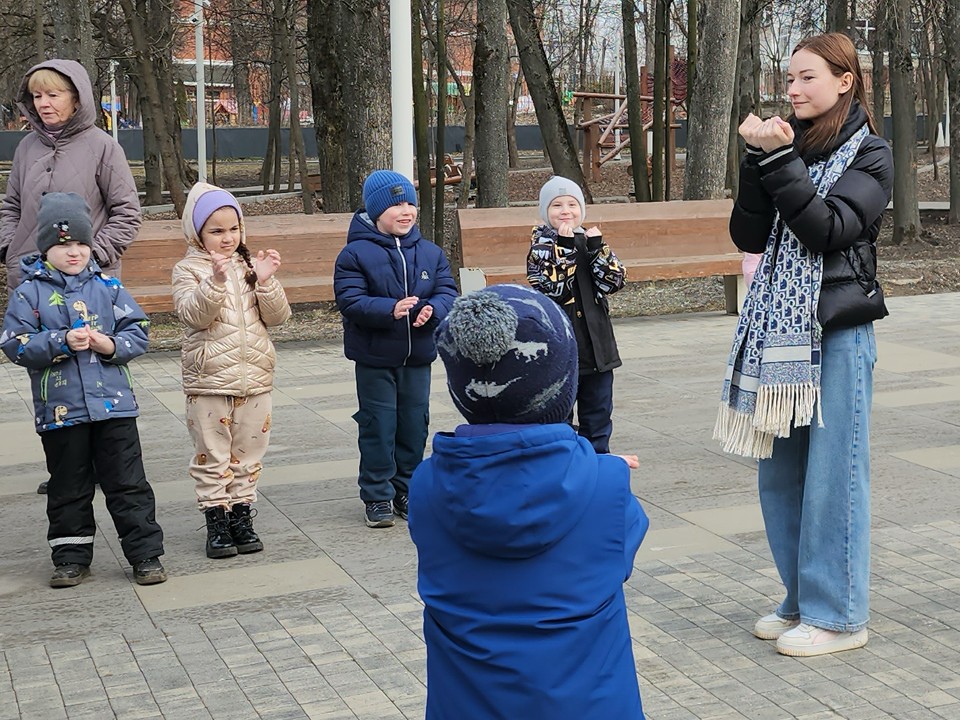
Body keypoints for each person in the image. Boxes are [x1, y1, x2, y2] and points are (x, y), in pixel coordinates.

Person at [715, 32, 893, 657]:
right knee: (781, 478)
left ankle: (840, 616)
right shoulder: (784, 150)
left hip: (838, 333)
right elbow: (747, 233)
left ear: (846, 80)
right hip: (780, 337)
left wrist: (779, 161)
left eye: (807, 77)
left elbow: (828, 229)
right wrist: (757, 162)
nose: (792, 89)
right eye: (789, 78)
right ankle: (800, 599)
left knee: (832, 480)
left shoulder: (872, 155)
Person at [409, 284, 648, 719]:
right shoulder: (607, 486)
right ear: (564, 386)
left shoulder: (426, 487)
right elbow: (619, 554)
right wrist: (598, 469)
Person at [0, 193, 165, 588]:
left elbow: (137, 332)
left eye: (79, 243)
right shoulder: (29, 292)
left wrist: (109, 345)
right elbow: (14, 342)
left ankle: (145, 554)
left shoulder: (108, 287)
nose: (72, 252)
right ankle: (71, 556)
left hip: (115, 410)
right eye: (62, 244)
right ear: (45, 247)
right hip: (62, 412)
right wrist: (58, 341)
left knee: (128, 482)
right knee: (68, 484)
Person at [0, 59, 141, 496]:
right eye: (37, 96)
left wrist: (94, 256)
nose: (44, 104)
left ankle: (101, 464)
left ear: (77, 97)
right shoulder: (26, 148)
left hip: (88, 290)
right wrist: (10, 247)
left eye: (53, 94)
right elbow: (10, 206)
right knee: (45, 373)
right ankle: (63, 466)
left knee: (92, 371)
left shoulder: (103, 147)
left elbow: (126, 214)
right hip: (33, 285)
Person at [172, 183, 291, 558]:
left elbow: (279, 317)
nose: (227, 238)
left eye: (233, 229)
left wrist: (266, 280)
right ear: (197, 233)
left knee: (249, 453)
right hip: (209, 381)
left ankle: (241, 513)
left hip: (254, 378)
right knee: (212, 454)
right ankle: (216, 521)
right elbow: (193, 316)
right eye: (217, 231)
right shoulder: (188, 269)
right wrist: (216, 283)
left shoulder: (249, 266)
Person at [334, 170, 458, 529]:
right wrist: (389, 309)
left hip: (417, 357)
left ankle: (407, 489)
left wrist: (434, 310)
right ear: (375, 212)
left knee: (414, 426)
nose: (406, 211)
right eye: (396, 205)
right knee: (379, 426)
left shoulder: (430, 253)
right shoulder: (354, 254)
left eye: (410, 203)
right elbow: (350, 299)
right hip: (375, 358)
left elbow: (447, 290)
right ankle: (377, 494)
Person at [527, 176, 627, 455]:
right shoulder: (541, 247)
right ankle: (564, 462)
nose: (565, 211)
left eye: (572, 204)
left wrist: (597, 249)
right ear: (545, 211)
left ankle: (598, 459)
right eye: (557, 205)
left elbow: (614, 282)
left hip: (597, 345)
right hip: (561, 347)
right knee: (559, 414)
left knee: (598, 411)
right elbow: (554, 287)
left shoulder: (590, 240)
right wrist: (564, 246)